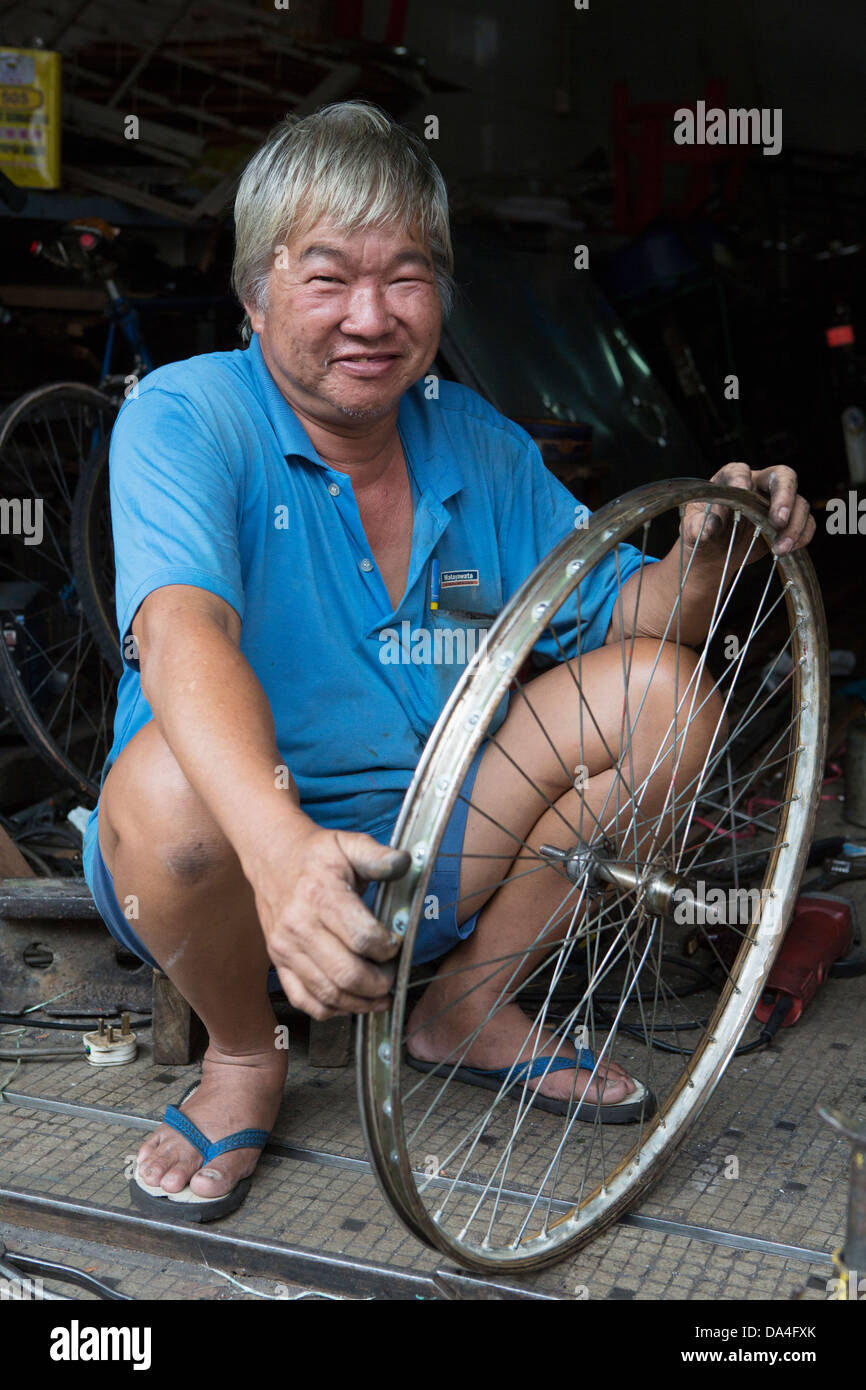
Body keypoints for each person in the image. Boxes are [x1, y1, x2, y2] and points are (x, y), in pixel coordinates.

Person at [82, 101, 816, 1220]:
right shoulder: (185, 414)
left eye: (407, 276)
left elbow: (638, 620)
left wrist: (705, 546)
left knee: (665, 699)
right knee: (169, 795)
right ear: (254, 292)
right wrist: (283, 856)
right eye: (326, 277)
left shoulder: (474, 437)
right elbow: (186, 631)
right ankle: (244, 1052)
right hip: (225, 873)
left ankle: (465, 1006)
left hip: (426, 853)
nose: (370, 317)